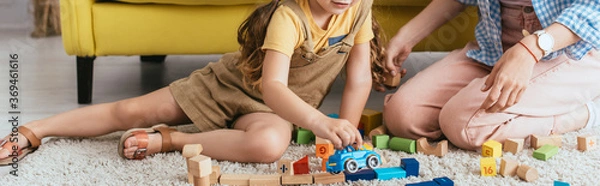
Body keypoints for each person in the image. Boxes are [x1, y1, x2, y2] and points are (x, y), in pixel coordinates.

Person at [0, 0, 387, 164]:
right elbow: (274, 86)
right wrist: (320, 122)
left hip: (272, 113)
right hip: (230, 88)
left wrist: (346, 136)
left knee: (269, 145)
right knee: (131, 110)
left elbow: (357, 77)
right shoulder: (289, 15)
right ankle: (35, 129)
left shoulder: (358, 8)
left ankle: (171, 140)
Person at [382, 0, 600, 150]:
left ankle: (587, 112)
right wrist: (407, 37)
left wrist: (531, 49)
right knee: (402, 116)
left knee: (465, 126)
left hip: (570, 49)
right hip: (494, 48)